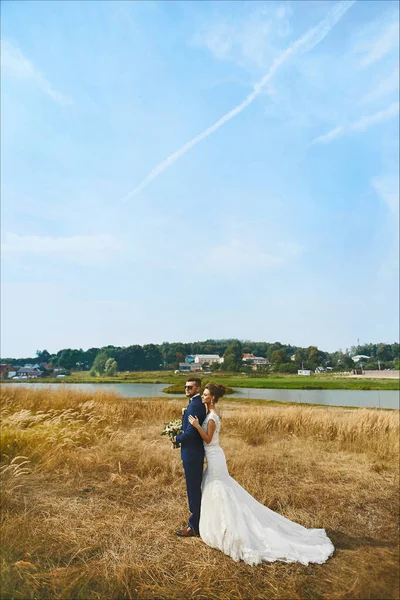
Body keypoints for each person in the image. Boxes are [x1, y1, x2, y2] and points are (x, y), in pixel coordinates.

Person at [188, 383, 335, 566]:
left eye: (206, 394)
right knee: (217, 488)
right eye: (203, 393)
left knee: (220, 489)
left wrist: (195, 425)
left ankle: (230, 529)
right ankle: (218, 525)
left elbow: (208, 439)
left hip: (215, 456)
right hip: (214, 455)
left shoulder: (211, 418)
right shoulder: (210, 414)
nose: (202, 396)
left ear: (213, 398)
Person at [174, 377, 207, 538]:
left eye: (190, 387)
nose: (186, 389)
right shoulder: (194, 404)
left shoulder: (195, 405)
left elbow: (190, 433)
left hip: (192, 453)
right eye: (185, 386)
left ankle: (194, 526)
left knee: (193, 489)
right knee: (193, 488)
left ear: (197, 389)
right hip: (193, 453)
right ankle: (197, 522)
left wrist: (176, 439)